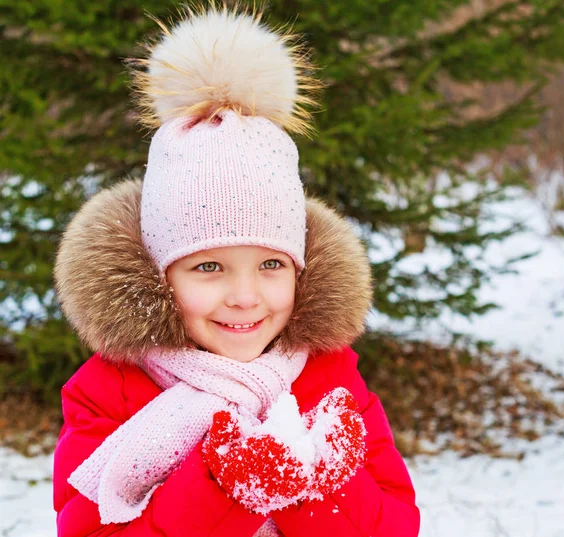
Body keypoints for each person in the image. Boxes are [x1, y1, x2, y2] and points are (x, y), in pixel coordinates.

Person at [52, 5, 420, 537]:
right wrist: (221, 485)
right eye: (209, 266)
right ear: (160, 276)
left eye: (271, 264)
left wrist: (323, 485)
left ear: (301, 269)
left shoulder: (330, 375)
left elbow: (396, 524)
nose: (246, 297)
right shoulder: (110, 389)